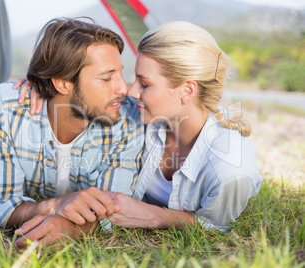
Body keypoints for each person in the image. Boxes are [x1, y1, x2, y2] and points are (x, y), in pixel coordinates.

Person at [20, 21, 262, 232]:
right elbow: (87, 94)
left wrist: (156, 216)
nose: (131, 91)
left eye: (145, 84)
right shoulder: (141, 115)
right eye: (134, 78)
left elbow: (215, 225)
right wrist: (46, 89)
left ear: (186, 90)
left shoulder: (231, 171)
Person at [0, 18, 144, 250]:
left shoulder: (128, 119)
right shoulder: (5, 108)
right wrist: (54, 206)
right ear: (62, 84)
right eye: (107, 78)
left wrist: (70, 227)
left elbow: (114, 209)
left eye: (120, 73)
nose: (123, 89)